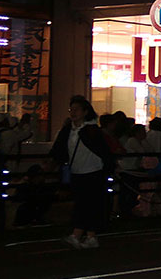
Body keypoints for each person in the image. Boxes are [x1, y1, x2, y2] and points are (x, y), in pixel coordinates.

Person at [49, 95, 112, 249]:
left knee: (87, 204)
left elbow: (103, 151)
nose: (73, 112)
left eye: (77, 110)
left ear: (85, 112)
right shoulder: (69, 130)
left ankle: (82, 235)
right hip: (77, 172)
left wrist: (108, 168)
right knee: (84, 204)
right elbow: (59, 150)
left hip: (93, 172)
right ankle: (87, 236)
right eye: (71, 109)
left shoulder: (91, 130)